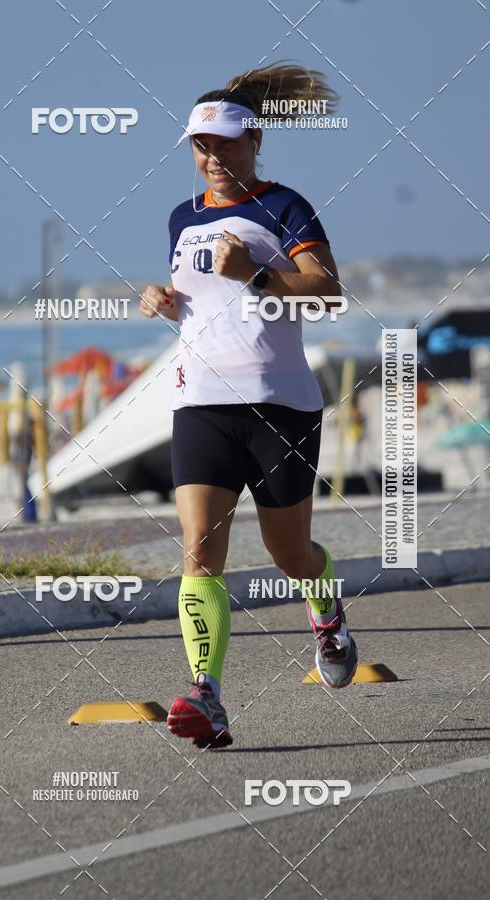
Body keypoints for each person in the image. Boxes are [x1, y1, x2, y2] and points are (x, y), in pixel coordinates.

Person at [140, 63, 358, 749]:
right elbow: (204, 305)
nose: (214, 157)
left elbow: (326, 291)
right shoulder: (182, 217)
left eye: (227, 144)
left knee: (288, 554)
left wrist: (256, 273)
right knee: (200, 553)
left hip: (280, 405)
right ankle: (206, 693)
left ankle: (323, 603)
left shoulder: (284, 205)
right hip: (200, 401)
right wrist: (163, 302)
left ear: (253, 140)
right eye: (202, 146)